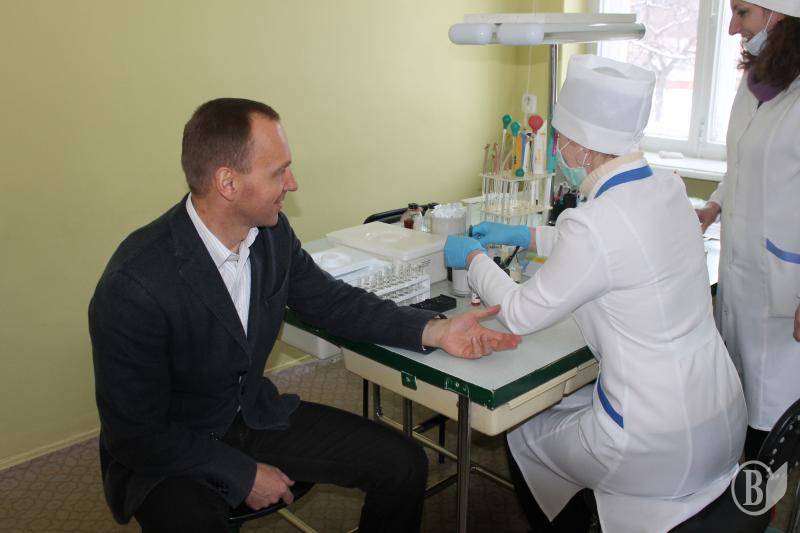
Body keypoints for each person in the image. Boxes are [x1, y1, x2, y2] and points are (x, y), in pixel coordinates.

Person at [88, 98, 521, 533]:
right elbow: (135, 434)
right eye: (279, 172)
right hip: (167, 449)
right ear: (227, 182)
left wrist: (434, 330)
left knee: (403, 464)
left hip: (248, 413)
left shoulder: (271, 235)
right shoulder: (134, 284)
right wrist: (242, 473)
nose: (292, 184)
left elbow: (333, 302)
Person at [444, 55, 747, 532]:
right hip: (721, 415)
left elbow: (520, 312)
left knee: (521, 430)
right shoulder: (667, 188)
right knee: (566, 405)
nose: (555, 149)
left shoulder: (595, 225)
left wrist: (474, 259)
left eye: (559, 138)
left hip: (652, 441)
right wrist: (525, 235)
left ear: (585, 149)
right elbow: (615, 247)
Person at [695, 0, 800, 461]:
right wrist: (715, 204)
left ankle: (766, 493)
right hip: (740, 271)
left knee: (773, 419)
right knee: (737, 402)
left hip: (785, 287)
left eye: (742, 13)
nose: (733, 28)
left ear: (780, 14)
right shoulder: (756, 80)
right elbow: (740, 162)